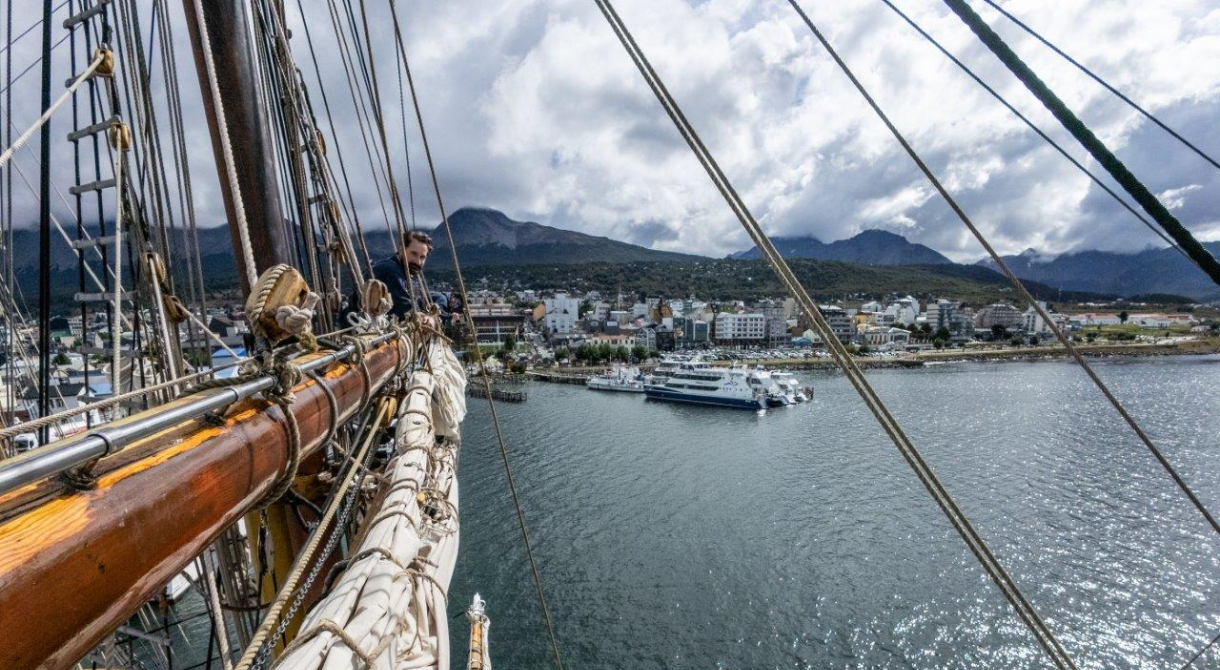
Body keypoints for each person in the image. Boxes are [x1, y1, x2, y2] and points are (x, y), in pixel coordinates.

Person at [364, 231, 444, 328]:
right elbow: (405, 309)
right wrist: (431, 320)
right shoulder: (391, 271)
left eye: (422, 257)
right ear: (401, 248)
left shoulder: (395, 267)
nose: (417, 261)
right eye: (414, 254)